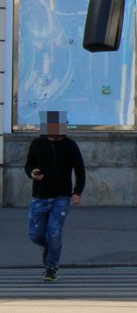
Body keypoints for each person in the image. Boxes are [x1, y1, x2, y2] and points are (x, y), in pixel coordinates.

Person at [25, 110, 85, 282]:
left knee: (54, 233)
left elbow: (80, 170)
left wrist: (77, 192)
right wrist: (32, 173)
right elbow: (28, 165)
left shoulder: (70, 145)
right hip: (40, 196)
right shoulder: (37, 143)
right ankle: (49, 248)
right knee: (35, 234)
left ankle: (51, 268)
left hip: (61, 196)